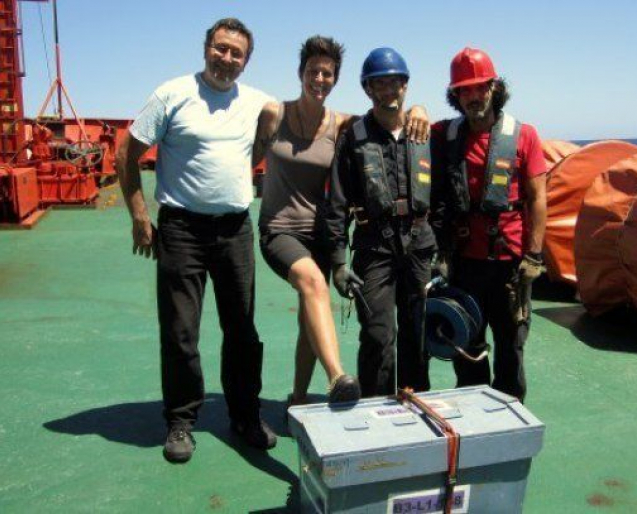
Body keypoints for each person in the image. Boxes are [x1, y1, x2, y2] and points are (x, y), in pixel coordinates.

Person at [116, 18, 277, 464]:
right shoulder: (172, 94)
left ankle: (245, 415)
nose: (227, 58)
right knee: (180, 330)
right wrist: (139, 216)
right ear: (206, 48)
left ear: (246, 61)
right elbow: (126, 153)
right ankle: (181, 420)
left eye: (236, 53)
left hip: (234, 229)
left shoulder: (257, 102)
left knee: (242, 329)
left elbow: (280, 129)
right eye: (220, 48)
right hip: (181, 229)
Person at [253, 37, 430, 409]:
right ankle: (346, 384)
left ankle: (300, 397)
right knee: (360, 320)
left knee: (409, 330)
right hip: (284, 229)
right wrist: (338, 262)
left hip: (327, 234)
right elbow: (249, 159)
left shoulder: (343, 126)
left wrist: (420, 108)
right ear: (301, 73)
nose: (319, 78)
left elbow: (390, 119)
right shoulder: (276, 114)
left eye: (327, 73)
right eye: (313, 71)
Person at [430, 47, 547, 402]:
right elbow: (398, 122)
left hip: (510, 263)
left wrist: (534, 256)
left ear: (494, 88)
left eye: (480, 87)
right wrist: (417, 109)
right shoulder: (444, 134)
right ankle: (473, 412)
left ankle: (510, 412)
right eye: (464, 90)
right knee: (467, 344)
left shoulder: (524, 136)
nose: (473, 96)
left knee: (511, 345)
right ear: (455, 95)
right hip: (464, 262)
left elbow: (537, 198)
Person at [327, 48, 435, 398]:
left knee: (418, 330)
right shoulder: (353, 138)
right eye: (379, 84)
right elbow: (337, 203)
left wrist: (445, 253)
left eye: (394, 82)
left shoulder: (425, 133)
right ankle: (376, 406)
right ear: (368, 90)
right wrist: (338, 263)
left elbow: (445, 195)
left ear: (406, 85)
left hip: (419, 245)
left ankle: (415, 400)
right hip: (374, 246)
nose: (388, 90)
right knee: (377, 334)